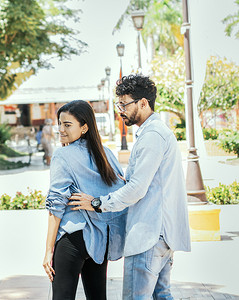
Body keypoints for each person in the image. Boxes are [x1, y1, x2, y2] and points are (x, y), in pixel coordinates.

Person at [69, 74, 191, 299]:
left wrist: (96, 203)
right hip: (162, 235)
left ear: (143, 103)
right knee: (162, 295)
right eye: (119, 104)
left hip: (148, 235)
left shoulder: (152, 136)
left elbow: (137, 189)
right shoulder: (157, 132)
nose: (120, 110)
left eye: (124, 104)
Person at [42, 100, 127, 300]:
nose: (61, 129)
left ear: (84, 127)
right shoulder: (106, 154)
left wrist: (48, 250)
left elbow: (56, 205)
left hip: (72, 239)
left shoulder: (62, 155)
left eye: (67, 125)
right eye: (60, 124)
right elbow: (121, 191)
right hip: (99, 239)